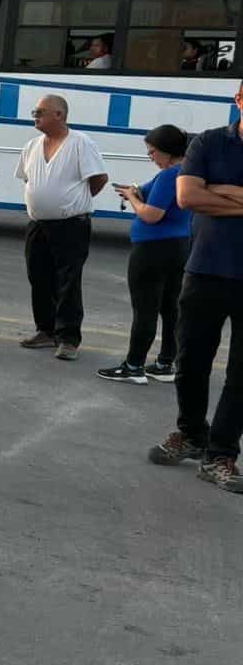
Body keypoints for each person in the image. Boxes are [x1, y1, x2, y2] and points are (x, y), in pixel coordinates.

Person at [147, 82, 243, 493]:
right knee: (190, 362)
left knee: (242, 374)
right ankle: (191, 433)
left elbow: (202, 194)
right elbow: (187, 197)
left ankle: (221, 453)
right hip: (205, 270)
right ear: (239, 99)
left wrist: (218, 191)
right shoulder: (209, 142)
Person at [15, 94, 109, 361]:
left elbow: (99, 178)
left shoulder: (80, 143)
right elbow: (28, 180)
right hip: (38, 224)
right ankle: (45, 330)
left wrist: (74, 201)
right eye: (35, 111)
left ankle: (68, 338)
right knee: (39, 277)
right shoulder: (32, 145)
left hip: (71, 225)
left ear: (59, 115)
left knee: (68, 281)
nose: (35, 115)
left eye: (40, 111)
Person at [98, 126, 191, 384]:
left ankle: (134, 365)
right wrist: (138, 191)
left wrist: (133, 198)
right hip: (179, 246)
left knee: (145, 308)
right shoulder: (189, 173)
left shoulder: (168, 176)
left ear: (167, 151)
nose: (150, 156)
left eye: (152, 152)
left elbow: (152, 214)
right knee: (170, 307)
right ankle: (165, 362)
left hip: (153, 250)